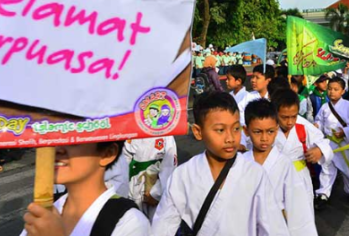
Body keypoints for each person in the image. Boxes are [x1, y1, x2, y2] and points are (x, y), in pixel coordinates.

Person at [152, 92, 289, 236]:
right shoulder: (183, 175)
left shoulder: (254, 174)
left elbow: (274, 228)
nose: (230, 138)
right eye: (220, 130)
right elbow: (163, 227)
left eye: (235, 129)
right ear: (198, 132)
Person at [21, 141, 150, 236]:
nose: (57, 149)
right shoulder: (50, 208)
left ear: (107, 154)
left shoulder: (129, 222)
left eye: (72, 140)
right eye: (54, 138)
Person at [243, 99, 318, 236]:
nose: (264, 138)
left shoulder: (285, 165)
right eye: (258, 132)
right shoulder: (240, 163)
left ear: (276, 129)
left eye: (270, 132)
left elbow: (298, 209)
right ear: (246, 131)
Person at [271, 89, 334, 212]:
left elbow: (324, 142)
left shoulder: (302, 125)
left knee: (303, 215)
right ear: (275, 113)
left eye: (293, 116)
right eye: (284, 117)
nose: (290, 122)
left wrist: (319, 150)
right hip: (273, 177)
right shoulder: (267, 127)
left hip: (299, 177)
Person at [313, 77, 349, 210]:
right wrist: (317, 125)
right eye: (330, 89)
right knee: (327, 168)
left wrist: (345, 131)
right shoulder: (324, 107)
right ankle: (323, 193)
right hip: (329, 142)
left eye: (336, 89)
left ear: (343, 91)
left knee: (348, 168)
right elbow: (320, 120)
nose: (332, 92)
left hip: (343, 143)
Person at [124, 136, 177, 221]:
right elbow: (122, 163)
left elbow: (170, 167)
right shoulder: (130, 132)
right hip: (134, 188)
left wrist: (156, 194)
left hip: (157, 191)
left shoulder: (167, 135)